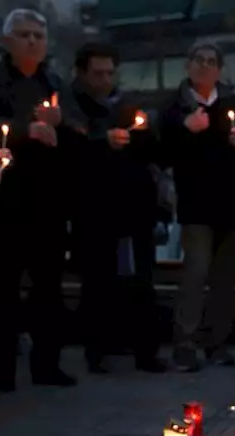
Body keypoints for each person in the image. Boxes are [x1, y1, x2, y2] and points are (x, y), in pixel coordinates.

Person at [0, 8, 75, 390]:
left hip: (48, 200)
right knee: (2, 285)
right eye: (24, 35)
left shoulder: (54, 82)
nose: (32, 41)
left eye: (38, 36)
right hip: (5, 198)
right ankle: (2, 369)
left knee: (48, 286)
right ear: (7, 41)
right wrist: (24, 130)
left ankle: (47, 364)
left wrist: (60, 124)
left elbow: (81, 131)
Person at [158, 40, 235, 372]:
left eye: (211, 61)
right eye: (198, 60)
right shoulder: (175, 109)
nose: (204, 66)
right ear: (188, 66)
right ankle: (184, 343)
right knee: (195, 273)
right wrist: (186, 132)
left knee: (224, 278)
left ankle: (217, 342)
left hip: (232, 204)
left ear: (219, 69)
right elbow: (164, 154)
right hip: (197, 204)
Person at [62, 43, 165, 374]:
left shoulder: (127, 104)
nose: (105, 79)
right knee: (97, 281)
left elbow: (152, 153)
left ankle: (145, 350)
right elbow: (71, 152)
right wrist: (101, 142)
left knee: (141, 280)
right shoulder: (72, 106)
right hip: (94, 207)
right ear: (83, 73)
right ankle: (98, 349)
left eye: (109, 72)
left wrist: (142, 135)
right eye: (98, 73)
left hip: (135, 206)